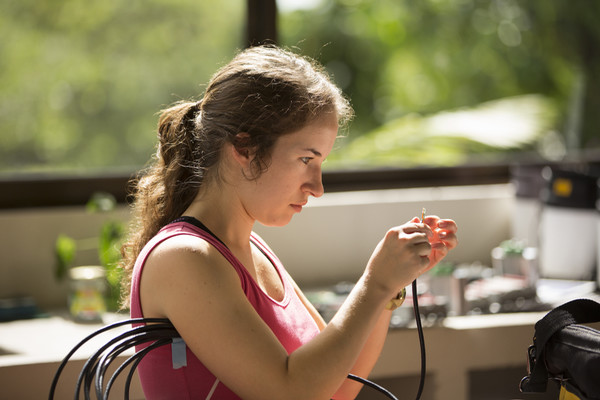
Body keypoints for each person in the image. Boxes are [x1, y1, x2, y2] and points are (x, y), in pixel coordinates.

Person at [120, 44, 458, 400]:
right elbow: (292, 392)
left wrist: (390, 286)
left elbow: (337, 386)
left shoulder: (253, 250)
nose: (317, 187)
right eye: (305, 159)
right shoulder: (183, 257)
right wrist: (374, 283)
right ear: (245, 148)